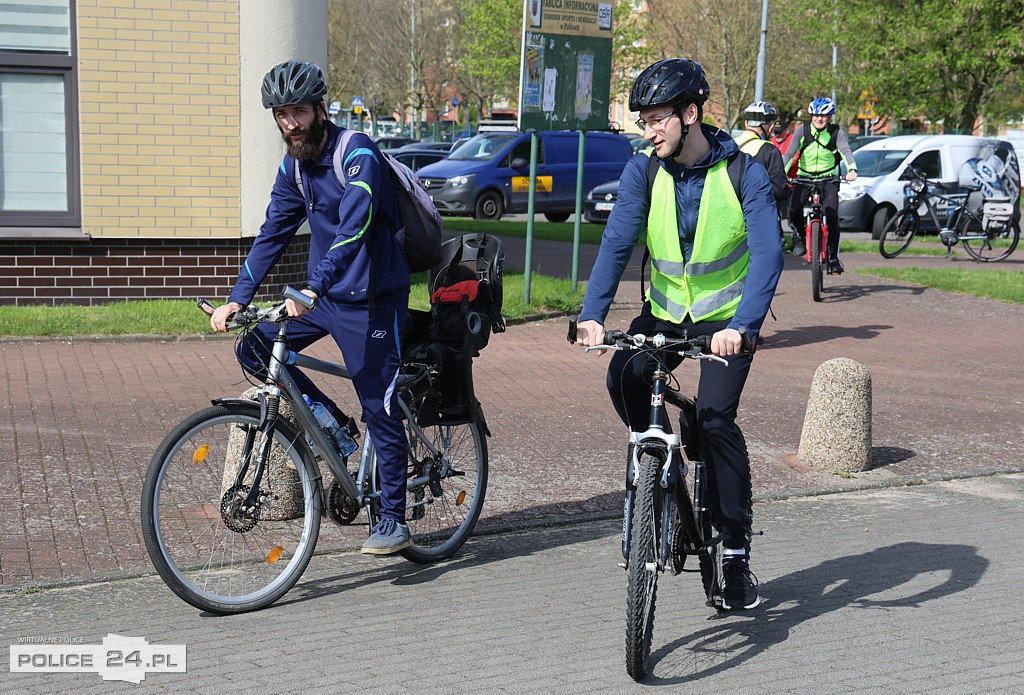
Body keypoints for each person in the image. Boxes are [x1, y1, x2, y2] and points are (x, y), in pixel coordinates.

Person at [575, 58, 784, 611]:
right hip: (665, 312)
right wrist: (592, 313)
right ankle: (661, 466)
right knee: (623, 376)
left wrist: (744, 327)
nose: (648, 131)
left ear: (690, 114)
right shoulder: (644, 170)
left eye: (656, 120)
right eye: (642, 121)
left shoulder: (746, 171)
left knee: (715, 420)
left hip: (727, 321)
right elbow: (617, 243)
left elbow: (768, 252)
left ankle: (735, 552)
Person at [209, 60, 413, 555]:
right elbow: (273, 232)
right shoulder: (294, 166)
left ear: (321, 108)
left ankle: (393, 517)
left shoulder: (357, 152)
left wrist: (312, 287)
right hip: (320, 297)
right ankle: (334, 428)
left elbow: (355, 227)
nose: (290, 123)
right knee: (255, 349)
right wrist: (238, 297)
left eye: (298, 111)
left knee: (378, 405)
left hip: (370, 300)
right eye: (281, 114)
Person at [783, 97, 858, 273]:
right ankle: (801, 237)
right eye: (816, 115)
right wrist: (781, 172)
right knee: (794, 210)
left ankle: (832, 257)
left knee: (831, 213)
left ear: (830, 116)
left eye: (823, 115)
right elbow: (789, 154)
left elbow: (845, 151)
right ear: (811, 116)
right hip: (805, 177)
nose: (819, 119)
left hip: (828, 178)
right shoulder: (802, 131)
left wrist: (852, 169)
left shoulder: (836, 132)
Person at [734, 101, 789, 242]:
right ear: (770, 127)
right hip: (761, 221)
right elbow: (779, 190)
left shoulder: (729, 146)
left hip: (731, 221)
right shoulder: (769, 150)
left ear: (746, 123)